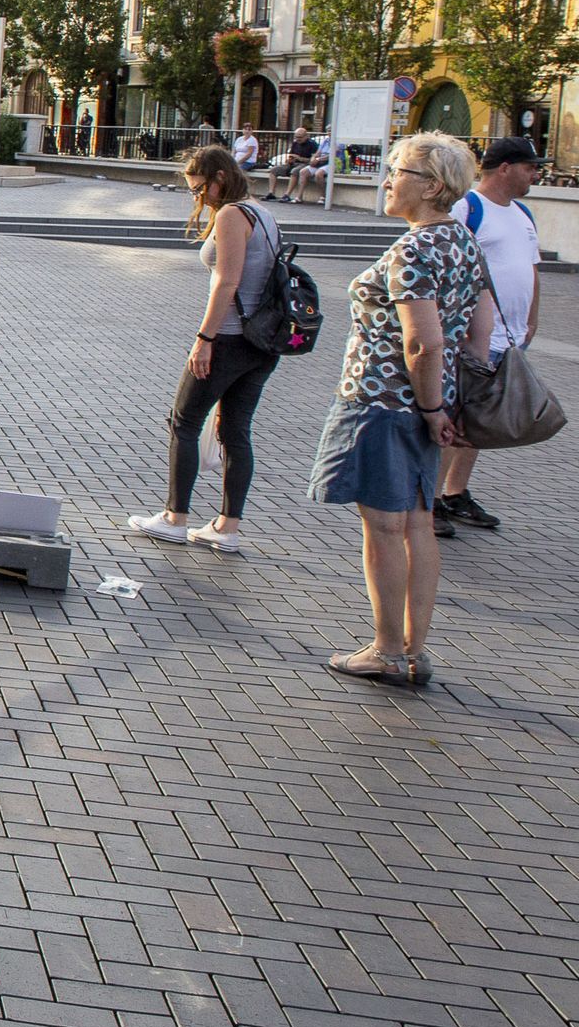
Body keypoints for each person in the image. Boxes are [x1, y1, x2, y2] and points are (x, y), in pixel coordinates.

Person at [308, 132, 493, 685]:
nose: (386, 179)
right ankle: (414, 649)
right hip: (427, 407)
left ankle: (387, 650)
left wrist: (432, 406)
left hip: (384, 404)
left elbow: (423, 342)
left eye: (397, 172)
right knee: (418, 523)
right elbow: (478, 335)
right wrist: (447, 405)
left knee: (385, 528)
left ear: (432, 186)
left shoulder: (414, 249)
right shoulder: (462, 241)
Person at [127, 146, 282, 553]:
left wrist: (205, 339)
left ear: (219, 177)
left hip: (228, 337)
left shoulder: (232, 215)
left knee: (184, 421)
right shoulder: (263, 213)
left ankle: (175, 517)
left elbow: (226, 283)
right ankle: (226, 527)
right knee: (236, 430)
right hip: (261, 344)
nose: (200, 199)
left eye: (201, 190)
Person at [436, 136, 546, 535]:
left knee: (480, 421)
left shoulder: (523, 213)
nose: (536, 173)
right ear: (505, 168)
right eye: (530, 167)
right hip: (474, 336)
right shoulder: (468, 207)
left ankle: (454, 493)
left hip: (512, 337)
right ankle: (430, 500)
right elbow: (450, 263)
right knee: (457, 417)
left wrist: (532, 318)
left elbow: (531, 268)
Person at [283, 132, 333, 203]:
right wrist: (313, 158)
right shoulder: (325, 141)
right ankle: (299, 197)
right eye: (328, 131)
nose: (329, 133)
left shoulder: (339, 141)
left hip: (331, 163)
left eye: (331, 131)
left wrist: (318, 159)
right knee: (303, 172)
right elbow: (318, 153)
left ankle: (323, 196)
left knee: (318, 174)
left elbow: (332, 155)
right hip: (319, 162)